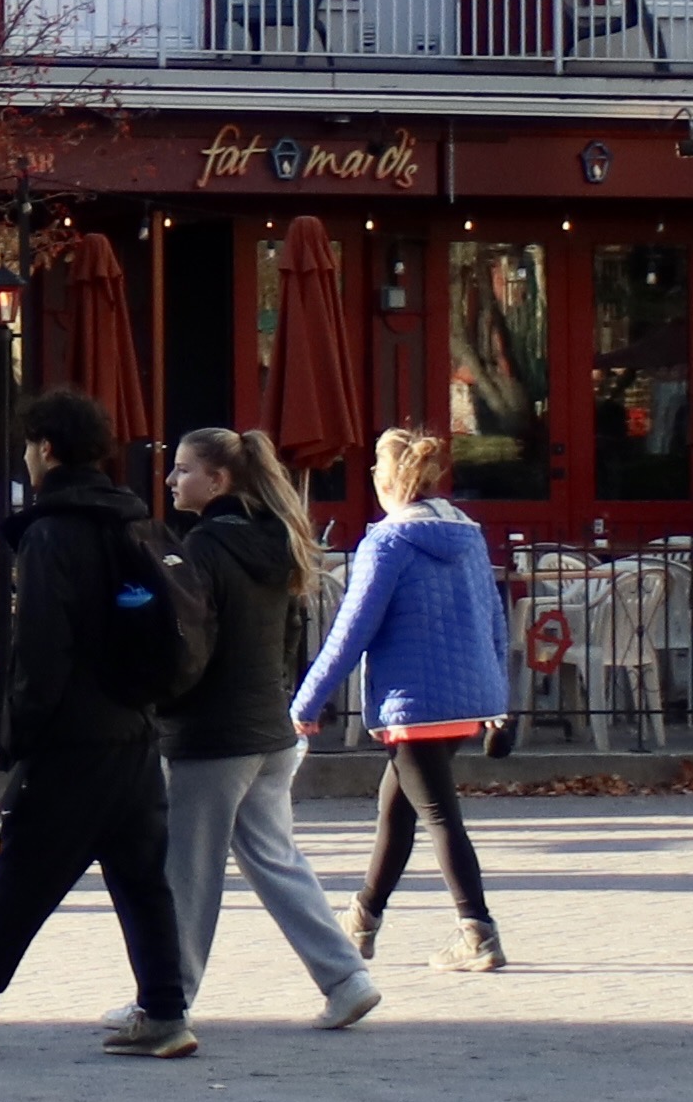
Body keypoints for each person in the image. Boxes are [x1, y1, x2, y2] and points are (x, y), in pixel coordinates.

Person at [0, 393, 195, 1061]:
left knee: (22, 871)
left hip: (73, 735)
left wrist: (23, 730)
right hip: (134, 728)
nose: (28, 458)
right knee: (142, 877)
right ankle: (166, 1012)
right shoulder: (129, 520)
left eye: (30, 446)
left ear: (46, 448)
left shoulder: (52, 532)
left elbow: (43, 646)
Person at [155, 429, 376, 1032]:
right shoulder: (277, 541)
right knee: (276, 859)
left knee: (189, 873)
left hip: (214, 731)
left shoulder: (203, 546)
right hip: (269, 727)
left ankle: (165, 1002)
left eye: (183, 470)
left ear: (218, 480)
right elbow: (286, 641)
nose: (173, 481)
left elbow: (190, 642)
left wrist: (164, 700)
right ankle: (346, 977)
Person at [295, 426, 511, 973]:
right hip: (467, 699)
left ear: (381, 479)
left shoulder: (385, 543)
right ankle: (363, 918)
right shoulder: (469, 535)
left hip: (411, 703)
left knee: (438, 815)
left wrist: (307, 701)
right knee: (397, 808)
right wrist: (499, 697)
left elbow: (351, 631)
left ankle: (477, 930)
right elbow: (495, 619)